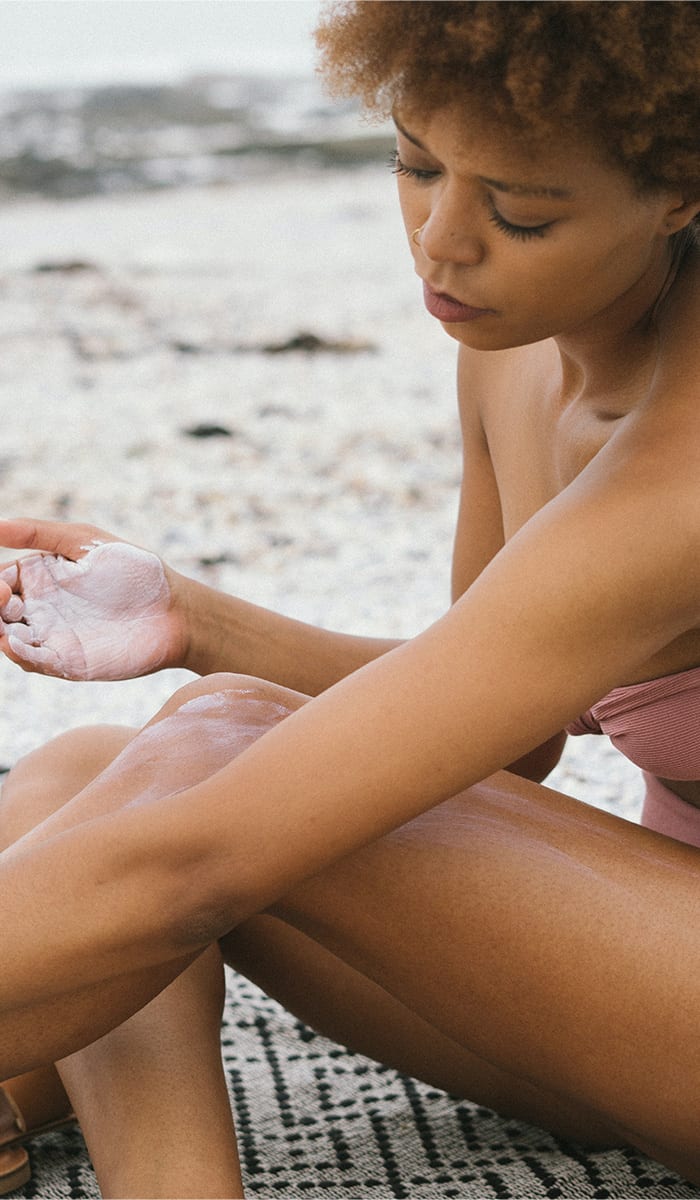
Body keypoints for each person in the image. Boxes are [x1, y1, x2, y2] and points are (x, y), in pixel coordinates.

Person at [0, 1, 699, 1196]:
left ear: (682, 192)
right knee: (91, 773)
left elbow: (201, 861)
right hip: (640, 985)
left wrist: (222, 714)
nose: (441, 241)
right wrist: (195, 622)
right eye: (415, 163)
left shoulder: (682, 468)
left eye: (520, 211)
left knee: (200, 783)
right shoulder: (511, 351)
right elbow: (514, 736)